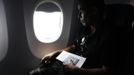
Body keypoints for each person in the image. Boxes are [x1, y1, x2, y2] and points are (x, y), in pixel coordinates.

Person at [41, 0, 114, 75]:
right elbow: (74, 46)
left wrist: (77, 71)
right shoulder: (85, 28)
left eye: (81, 12)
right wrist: (55, 53)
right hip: (71, 66)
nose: (78, 16)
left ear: (94, 11)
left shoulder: (108, 37)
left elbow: (107, 71)